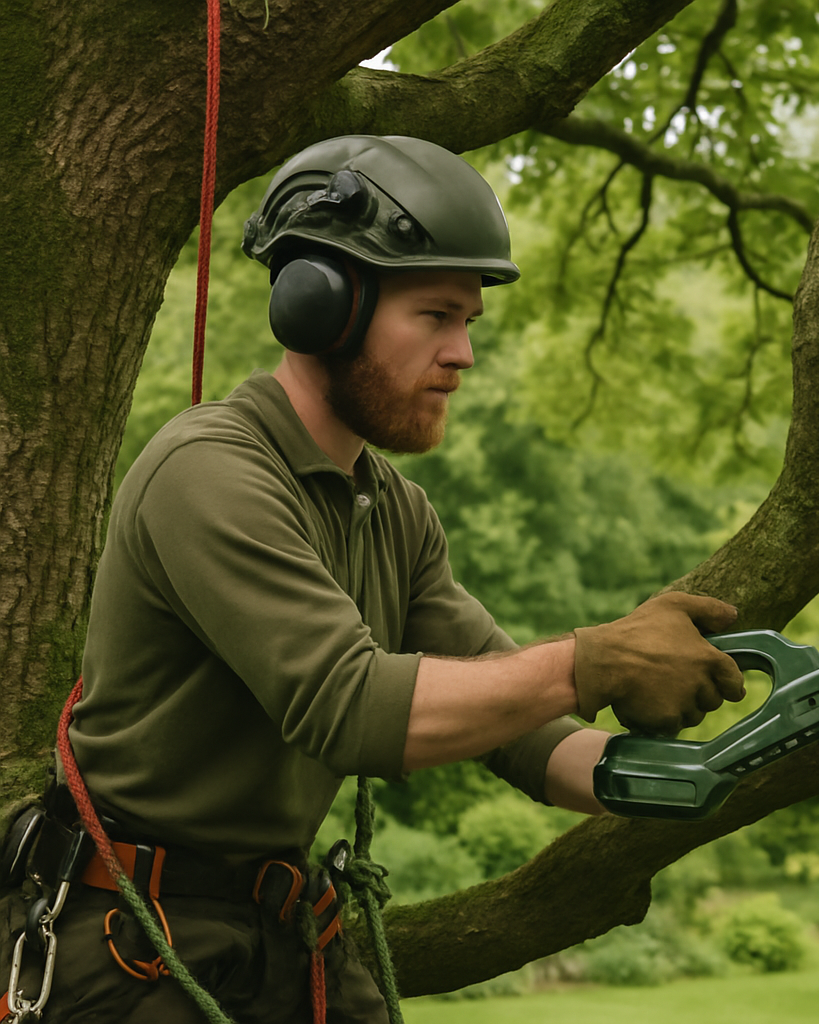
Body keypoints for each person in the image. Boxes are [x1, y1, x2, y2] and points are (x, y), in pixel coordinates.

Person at [0, 136, 745, 1024]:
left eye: (469, 321)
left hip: (276, 927)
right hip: (126, 941)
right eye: (435, 315)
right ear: (322, 307)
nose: (463, 353)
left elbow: (528, 734)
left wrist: (720, 764)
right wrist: (600, 659)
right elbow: (348, 706)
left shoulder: (393, 511)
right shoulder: (207, 471)